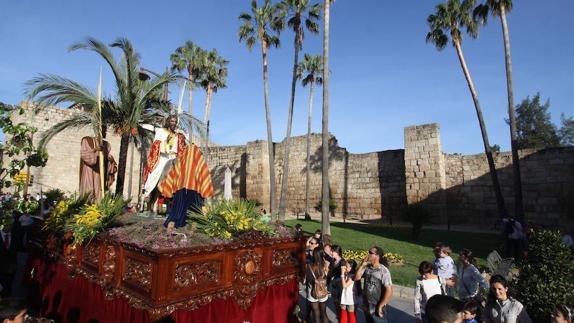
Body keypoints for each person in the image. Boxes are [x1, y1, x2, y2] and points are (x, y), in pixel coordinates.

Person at [157, 144, 214, 229]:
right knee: (195, 213)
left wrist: (165, 185)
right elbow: (205, 175)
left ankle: (172, 223)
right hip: (195, 192)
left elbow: (172, 174)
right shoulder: (199, 159)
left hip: (180, 192)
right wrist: (205, 189)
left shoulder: (181, 160)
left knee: (176, 213)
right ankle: (193, 225)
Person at [142, 115, 188, 202]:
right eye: (172, 121)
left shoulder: (178, 135)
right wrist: (166, 141)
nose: (173, 123)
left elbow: (181, 148)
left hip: (173, 157)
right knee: (155, 173)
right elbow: (155, 144)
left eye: (175, 122)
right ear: (168, 122)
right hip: (163, 157)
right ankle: (148, 192)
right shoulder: (161, 131)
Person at [355, 245, 393, 323]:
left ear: (377, 256)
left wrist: (381, 305)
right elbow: (356, 278)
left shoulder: (383, 271)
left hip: (377, 305)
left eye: (370, 252)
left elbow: (389, 290)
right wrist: (362, 264)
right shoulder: (367, 267)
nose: (368, 254)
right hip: (367, 304)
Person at [79, 136, 117, 201]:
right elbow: (84, 155)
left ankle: (97, 208)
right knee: (88, 190)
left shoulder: (106, 144)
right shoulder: (87, 140)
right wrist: (95, 150)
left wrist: (110, 160)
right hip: (89, 170)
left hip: (100, 172)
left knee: (98, 191)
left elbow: (108, 160)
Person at [305, 248, 329, 323]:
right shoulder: (325, 265)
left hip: (312, 291)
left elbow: (307, 280)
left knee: (316, 314)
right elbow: (327, 277)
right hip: (323, 290)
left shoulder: (309, 266)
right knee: (324, 313)